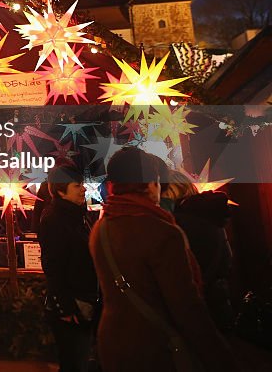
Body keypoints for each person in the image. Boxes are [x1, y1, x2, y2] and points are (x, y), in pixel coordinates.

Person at [89, 147, 238, 371]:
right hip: (155, 349)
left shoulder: (101, 227)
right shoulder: (162, 231)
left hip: (113, 343)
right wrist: (221, 358)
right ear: (150, 183)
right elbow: (186, 306)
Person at [38, 164, 97, 372]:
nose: (83, 189)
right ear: (61, 190)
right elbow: (53, 266)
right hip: (72, 306)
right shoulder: (54, 219)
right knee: (74, 362)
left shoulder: (79, 215)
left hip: (85, 300)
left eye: (82, 184)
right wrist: (65, 307)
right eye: (76, 185)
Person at [163, 169, 236, 331]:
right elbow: (227, 261)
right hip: (218, 308)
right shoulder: (211, 217)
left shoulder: (177, 225)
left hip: (193, 315)